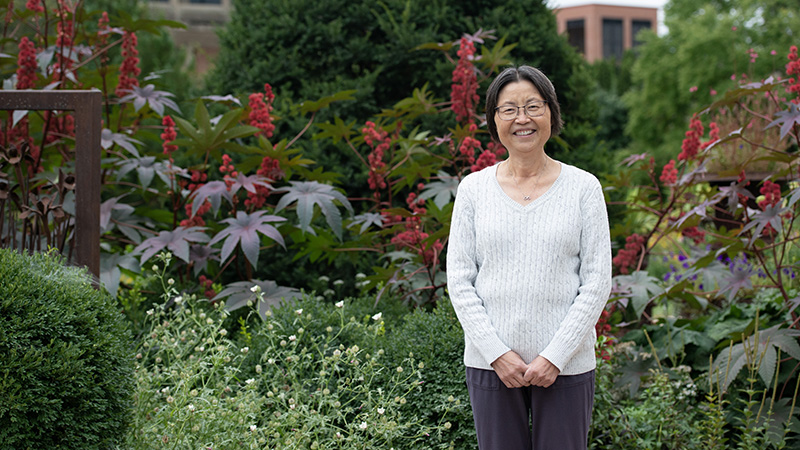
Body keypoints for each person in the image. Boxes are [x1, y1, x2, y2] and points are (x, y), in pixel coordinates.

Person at [446, 65, 612, 450]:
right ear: (494, 120)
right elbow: (459, 280)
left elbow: (597, 280)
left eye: (533, 106)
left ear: (551, 113)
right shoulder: (473, 190)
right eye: (509, 109)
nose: (522, 118)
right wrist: (497, 354)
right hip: (491, 364)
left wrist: (554, 356)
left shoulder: (584, 188)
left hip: (566, 366)